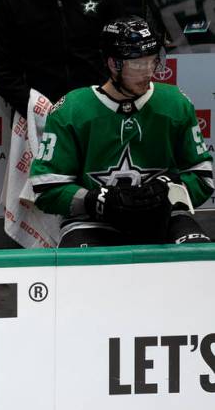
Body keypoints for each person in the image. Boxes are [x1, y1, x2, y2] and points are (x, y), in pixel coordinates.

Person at [30, 16, 214, 247]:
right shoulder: (71, 110)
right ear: (112, 64)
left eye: (153, 61)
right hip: (92, 222)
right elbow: (47, 188)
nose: (148, 72)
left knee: (196, 259)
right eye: (137, 64)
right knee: (80, 270)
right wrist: (92, 200)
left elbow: (202, 176)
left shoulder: (176, 104)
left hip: (166, 218)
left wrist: (169, 189)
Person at [0, 0, 126, 119]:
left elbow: (122, 48)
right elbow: (1, 71)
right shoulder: (9, 0)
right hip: (38, 117)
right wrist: (39, 109)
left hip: (99, 110)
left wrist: (106, 97)